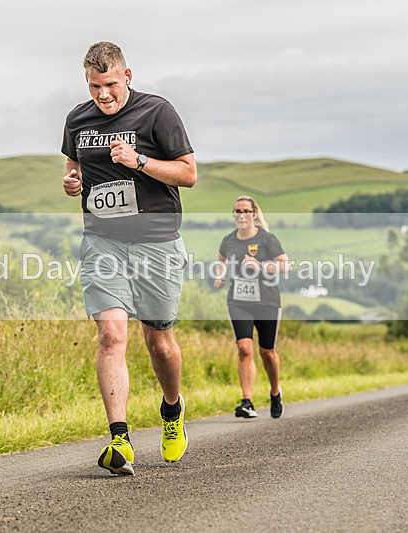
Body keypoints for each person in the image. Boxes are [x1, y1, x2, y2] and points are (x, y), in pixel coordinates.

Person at [61, 41, 197, 476]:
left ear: (128, 76)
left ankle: (172, 411)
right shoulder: (77, 119)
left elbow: (188, 173)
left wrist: (139, 161)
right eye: (95, 86)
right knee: (111, 335)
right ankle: (119, 440)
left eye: (111, 84)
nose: (103, 95)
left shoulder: (157, 112)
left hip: (155, 243)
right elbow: (74, 169)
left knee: (158, 341)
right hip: (103, 241)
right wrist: (71, 182)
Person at [213, 196, 291, 419]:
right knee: (244, 348)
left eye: (246, 211)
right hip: (238, 301)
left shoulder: (267, 238)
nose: (241, 215)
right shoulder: (228, 240)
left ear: (254, 214)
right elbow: (221, 260)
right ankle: (247, 401)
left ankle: (275, 392)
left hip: (267, 302)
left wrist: (261, 265)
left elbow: (286, 266)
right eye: (237, 211)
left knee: (267, 352)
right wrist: (220, 275)